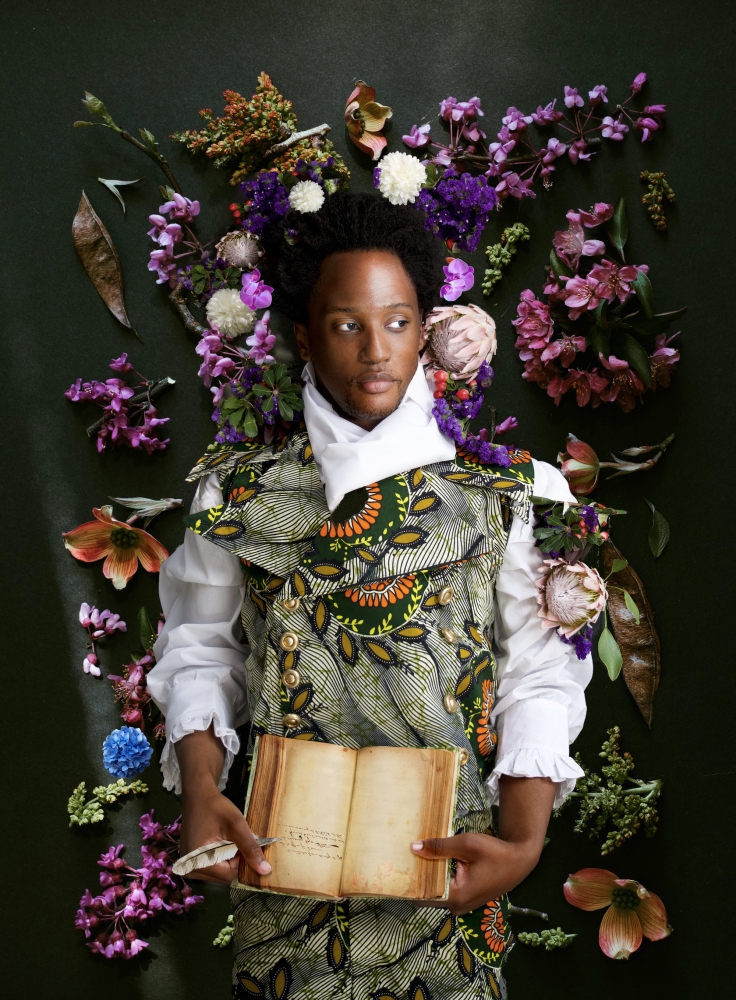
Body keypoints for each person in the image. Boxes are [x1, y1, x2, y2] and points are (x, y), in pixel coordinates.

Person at [147, 192, 591, 1000]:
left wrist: (524, 844)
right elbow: (203, 648)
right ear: (303, 335)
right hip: (282, 881)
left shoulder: (513, 495)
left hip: (451, 873)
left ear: (426, 330)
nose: (376, 349)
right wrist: (204, 789)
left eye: (397, 321)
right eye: (348, 324)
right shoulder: (234, 497)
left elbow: (538, 671)